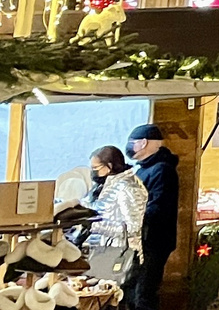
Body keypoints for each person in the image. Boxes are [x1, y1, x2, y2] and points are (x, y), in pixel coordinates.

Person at [124, 125, 178, 310]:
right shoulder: (142, 170)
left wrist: (132, 216)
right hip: (141, 242)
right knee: (133, 292)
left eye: (132, 143)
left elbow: (158, 206)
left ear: (143, 143)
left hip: (153, 242)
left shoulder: (162, 170)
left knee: (143, 294)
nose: (129, 147)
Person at [82, 146, 145, 282]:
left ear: (109, 166)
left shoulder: (127, 188)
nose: (93, 173)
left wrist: (94, 226)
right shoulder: (105, 185)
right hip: (103, 250)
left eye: (96, 169)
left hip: (119, 253)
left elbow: (133, 227)